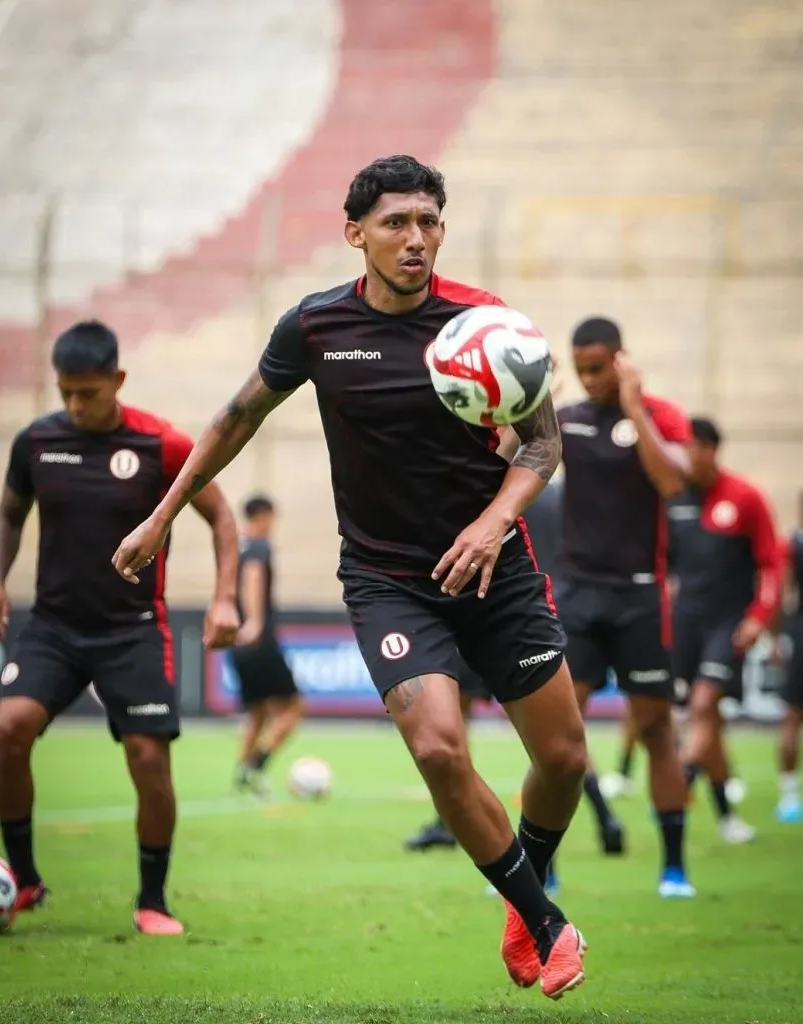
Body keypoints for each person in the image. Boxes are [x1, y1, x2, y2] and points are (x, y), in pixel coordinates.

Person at [112, 155, 589, 1000]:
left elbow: (545, 444)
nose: (416, 239)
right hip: (386, 579)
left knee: (563, 760)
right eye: (397, 222)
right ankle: (544, 918)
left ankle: (524, 887)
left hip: (494, 570)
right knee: (439, 746)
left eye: (429, 221)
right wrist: (160, 515)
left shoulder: (488, 324)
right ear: (355, 232)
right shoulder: (316, 327)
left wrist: (492, 521)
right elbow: (234, 419)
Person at [0, 321, 240, 935]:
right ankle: (24, 881)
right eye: (66, 392)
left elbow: (223, 517)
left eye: (89, 393)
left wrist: (224, 598)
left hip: (133, 630)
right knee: (11, 728)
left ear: (117, 381)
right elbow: (10, 516)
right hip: (53, 626)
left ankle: (152, 901)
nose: (76, 404)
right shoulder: (36, 442)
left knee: (148, 757)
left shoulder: (162, 446)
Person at [556, 316, 694, 898]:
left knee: (658, 729)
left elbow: (674, 483)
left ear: (620, 360)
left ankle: (674, 869)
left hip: (640, 594)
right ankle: (541, 866)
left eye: (598, 368)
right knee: (560, 735)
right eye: (580, 369)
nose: (588, 380)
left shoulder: (660, 416)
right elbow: (507, 458)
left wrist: (635, 409)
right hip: (578, 594)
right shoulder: (565, 419)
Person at [405, 476, 564, 860]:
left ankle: (455, 821)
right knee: (554, 743)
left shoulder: (492, 490)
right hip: (521, 607)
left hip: (497, 604)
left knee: (550, 744)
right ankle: (450, 820)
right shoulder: (549, 495)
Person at [668, 417, 780, 843]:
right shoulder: (674, 498)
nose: (686, 457)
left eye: (693, 447)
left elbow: (772, 562)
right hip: (685, 624)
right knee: (707, 718)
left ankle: (682, 780)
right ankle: (727, 816)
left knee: (702, 706)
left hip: (728, 624)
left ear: (712, 449)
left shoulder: (745, 497)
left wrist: (759, 616)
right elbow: (665, 563)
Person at [232, 494, 303, 794]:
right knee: (294, 708)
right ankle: (255, 765)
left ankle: (242, 775)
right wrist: (255, 623)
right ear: (264, 515)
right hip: (257, 639)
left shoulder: (237, 545)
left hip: (237, 642)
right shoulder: (259, 546)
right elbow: (253, 577)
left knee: (257, 713)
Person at [776, 493, 803, 822]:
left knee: (792, 717)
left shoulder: (793, 544)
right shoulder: (793, 545)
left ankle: (788, 795)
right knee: (792, 716)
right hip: (798, 633)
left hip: (798, 632)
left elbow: (786, 592)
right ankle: (788, 795)